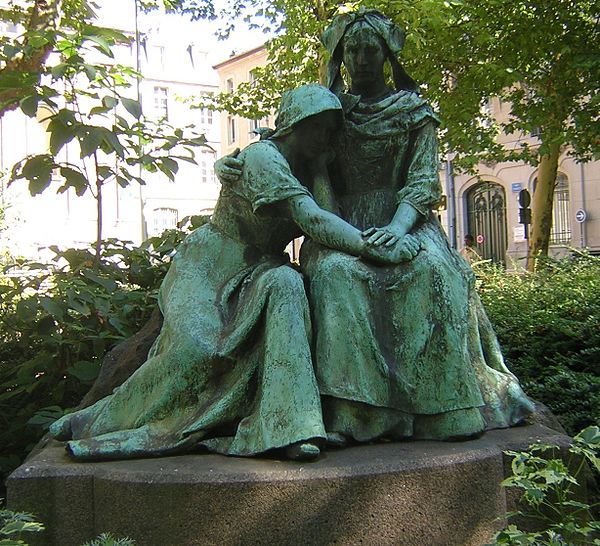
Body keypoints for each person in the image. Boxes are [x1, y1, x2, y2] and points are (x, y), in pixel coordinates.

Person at [49, 84, 418, 462]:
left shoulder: (310, 170)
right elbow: (312, 219)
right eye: (320, 126)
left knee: (287, 283)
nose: (328, 136)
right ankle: (96, 420)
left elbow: (328, 219)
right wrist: (378, 248)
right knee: (197, 352)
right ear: (294, 125)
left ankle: (289, 427)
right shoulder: (262, 157)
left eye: (331, 128)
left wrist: (321, 170)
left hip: (259, 269)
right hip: (212, 266)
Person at [216, 10, 534, 443]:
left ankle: (442, 410)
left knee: (435, 274)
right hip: (338, 221)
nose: (362, 58)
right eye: (353, 50)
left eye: (371, 49)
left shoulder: (415, 112)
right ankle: (355, 413)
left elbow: (423, 183)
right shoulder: (330, 110)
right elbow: (283, 147)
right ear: (340, 56)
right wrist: (232, 164)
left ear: (387, 54)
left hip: (407, 219)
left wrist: (399, 230)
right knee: (333, 276)